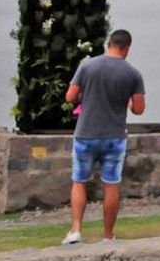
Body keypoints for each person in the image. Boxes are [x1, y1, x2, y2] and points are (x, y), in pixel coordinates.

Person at [62, 29, 146, 245]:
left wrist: (85, 95)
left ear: (109, 43)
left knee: (79, 181)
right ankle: (108, 235)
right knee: (111, 184)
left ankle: (76, 230)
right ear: (127, 47)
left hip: (86, 133)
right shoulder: (133, 74)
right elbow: (138, 109)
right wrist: (126, 101)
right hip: (115, 136)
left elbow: (70, 96)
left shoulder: (88, 65)